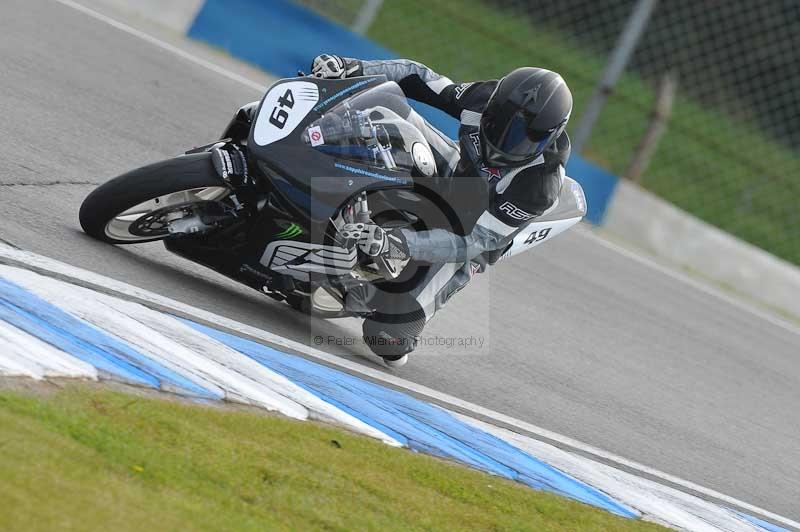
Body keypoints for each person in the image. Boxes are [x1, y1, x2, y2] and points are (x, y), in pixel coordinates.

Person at [303, 55, 574, 362]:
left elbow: (471, 241)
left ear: (549, 136)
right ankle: (311, 166)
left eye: (521, 137)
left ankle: (379, 290)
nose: (503, 140)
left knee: (387, 339)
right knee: (386, 111)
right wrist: (353, 67)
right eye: (499, 122)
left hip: (472, 236)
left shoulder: (539, 184)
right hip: (457, 175)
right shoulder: (483, 98)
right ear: (494, 106)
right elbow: (416, 76)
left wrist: (399, 243)